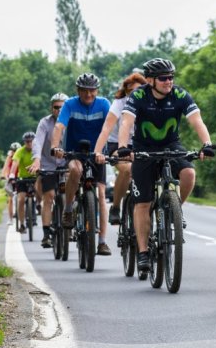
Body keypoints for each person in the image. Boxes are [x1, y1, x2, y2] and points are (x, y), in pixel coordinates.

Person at [117, 58, 213, 273]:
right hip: (144, 147)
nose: (168, 81)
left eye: (171, 77)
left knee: (188, 172)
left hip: (171, 144)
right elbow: (126, 122)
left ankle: (175, 209)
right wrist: (124, 146)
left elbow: (197, 120)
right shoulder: (139, 95)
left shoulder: (179, 95)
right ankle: (142, 253)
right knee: (143, 202)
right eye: (163, 78)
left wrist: (207, 144)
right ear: (150, 80)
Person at [51, 73, 112, 256]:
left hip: (97, 153)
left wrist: (108, 151)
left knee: (101, 194)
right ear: (78, 91)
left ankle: (102, 242)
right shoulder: (69, 104)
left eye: (92, 90)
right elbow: (59, 127)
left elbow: (110, 127)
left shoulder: (103, 104)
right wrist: (55, 146)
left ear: (97, 90)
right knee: (75, 171)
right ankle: (69, 209)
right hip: (74, 151)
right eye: (84, 91)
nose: (88, 94)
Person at [94, 72, 147, 225]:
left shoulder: (149, 102)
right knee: (127, 169)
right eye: (130, 92)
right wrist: (97, 151)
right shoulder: (119, 103)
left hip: (140, 144)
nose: (134, 95)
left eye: (138, 91)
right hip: (117, 144)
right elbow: (106, 128)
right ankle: (116, 207)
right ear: (125, 92)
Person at [28, 93, 68, 248]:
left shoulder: (72, 121)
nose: (59, 110)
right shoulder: (44, 122)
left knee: (72, 194)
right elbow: (37, 141)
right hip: (48, 163)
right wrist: (36, 160)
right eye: (56, 107)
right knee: (49, 196)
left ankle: (75, 221)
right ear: (51, 108)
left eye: (62, 107)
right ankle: (46, 234)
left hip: (67, 162)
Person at [9, 132, 38, 233]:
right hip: (23, 178)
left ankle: (38, 205)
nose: (29, 143)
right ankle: (22, 224)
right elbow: (15, 163)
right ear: (24, 142)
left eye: (31, 141)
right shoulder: (20, 151)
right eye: (27, 141)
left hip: (36, 177)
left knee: (41, 192)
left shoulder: (37, 150)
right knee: (21, 200)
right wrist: (12, 174)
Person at [0, 142, 20, 224]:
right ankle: (10, 219)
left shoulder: (20, 155)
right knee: (10, 198)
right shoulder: (9, 157)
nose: (15, 152)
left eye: (16, 150)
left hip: (20, 177)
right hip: (11, 178)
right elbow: (6, 166)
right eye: (13, 150)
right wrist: (4, 175)